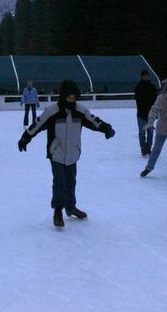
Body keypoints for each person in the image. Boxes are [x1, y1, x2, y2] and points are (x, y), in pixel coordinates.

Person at [18, 79, 114, 227]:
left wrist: (106, 128)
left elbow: (94, 121)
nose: (72, 98)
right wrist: (25, 138)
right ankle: (58, 211)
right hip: (57, 153)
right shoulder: (52, 111)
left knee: (71, 181)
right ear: (63, 95)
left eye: (74, 95)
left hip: (73, 153)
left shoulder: (80, 110)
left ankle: (70, 207)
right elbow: (37, 124)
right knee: (59, 182)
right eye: (69, 95)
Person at [134, 70, 158, 157]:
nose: (145, 77)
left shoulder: (152, 87)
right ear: (142, 76)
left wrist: (155, 113)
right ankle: (143, 149)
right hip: (141, 114)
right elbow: (139, 102)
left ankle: (148, 148)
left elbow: (156, 102)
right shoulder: (138, 87)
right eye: (144, 75)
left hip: (151, 114)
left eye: (147, 75)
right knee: (142, 132)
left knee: (150, 132)